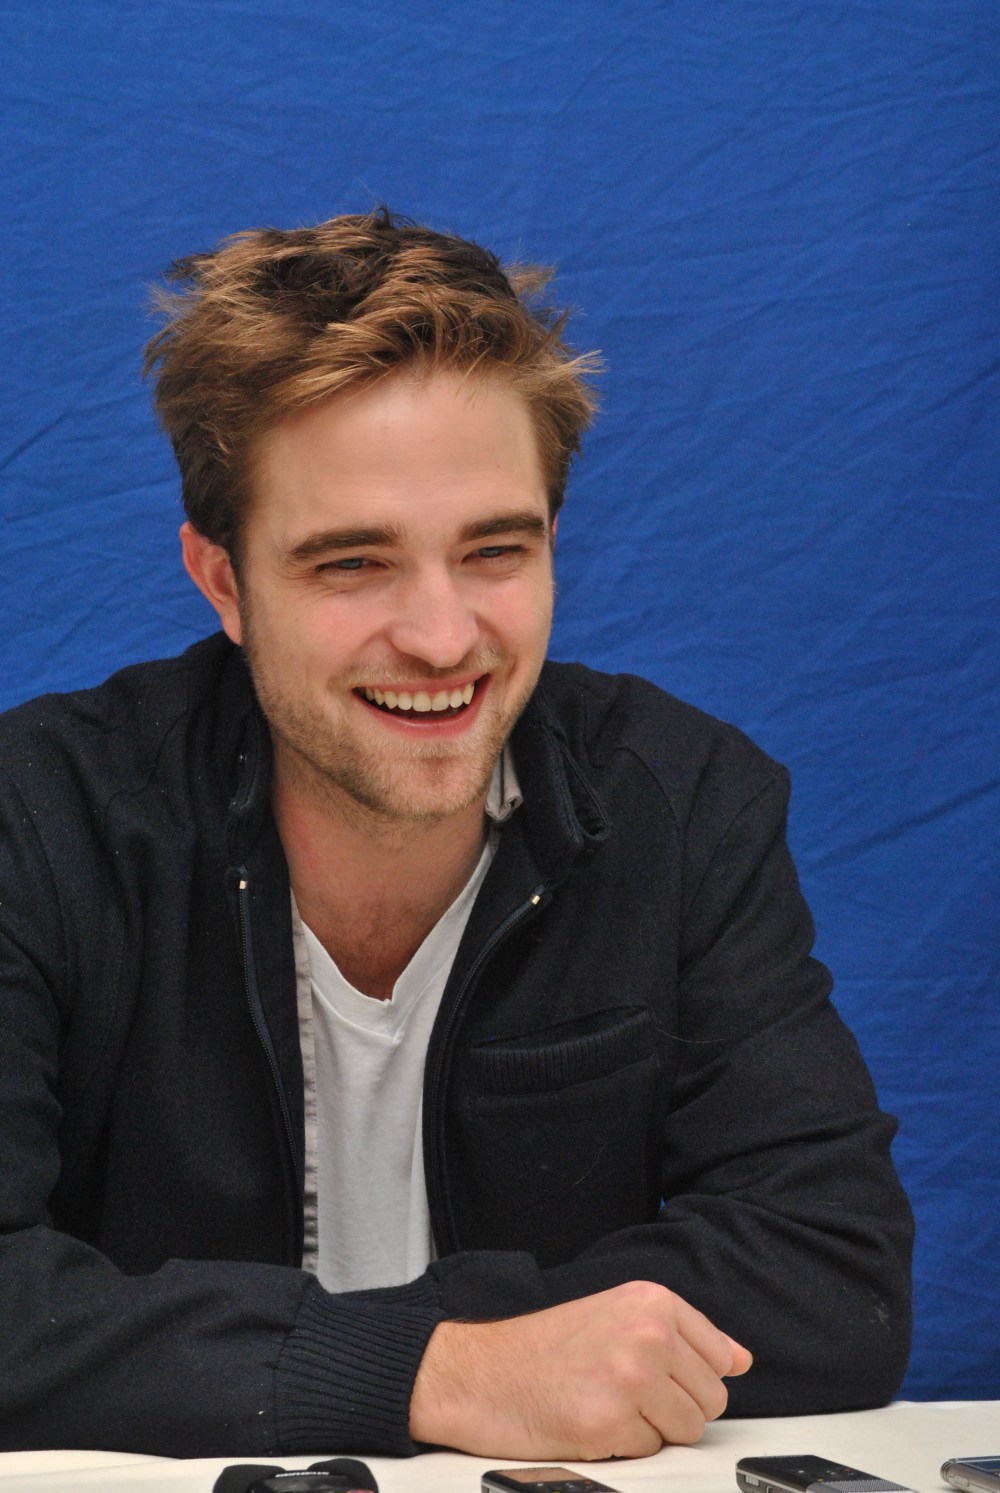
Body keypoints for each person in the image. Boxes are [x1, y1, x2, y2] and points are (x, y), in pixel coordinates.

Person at [0, 208, 912, 1461]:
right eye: (351, 563)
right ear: (223, 582)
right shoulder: (38, 818)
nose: (441, 638)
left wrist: (380, 1356)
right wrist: (438, 1371)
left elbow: (831, 1272)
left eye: (494, 549)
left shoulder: (686, 801)